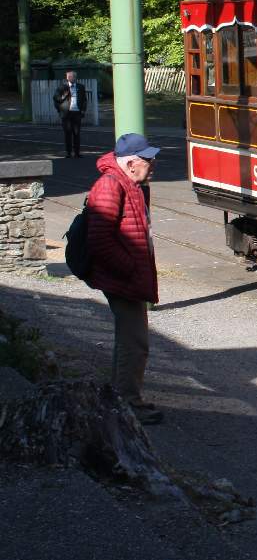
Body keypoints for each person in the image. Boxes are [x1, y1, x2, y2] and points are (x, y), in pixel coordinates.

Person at [85, 133, 162, 424]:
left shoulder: (128, 183)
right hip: (122, 279)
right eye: (148, 160)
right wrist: (129, 268)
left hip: (126, 276)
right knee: (135, 342)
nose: (153, 165)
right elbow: (100, 240)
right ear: (131, 163)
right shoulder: (109, 186)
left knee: (128, 340)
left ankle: (120, 400)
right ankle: (127, 405)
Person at [52, 70, 87, 158]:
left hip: (77, 113)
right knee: (68, 133)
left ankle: (77, 153)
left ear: (76, 78)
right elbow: (56, 98)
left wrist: (83, 110)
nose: (71, 78)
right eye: (69, 76)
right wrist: (64, 96)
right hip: (66, 114)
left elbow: (84, 100)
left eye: (73, 76)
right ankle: (68, 153)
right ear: (67, 78)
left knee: (76, 133)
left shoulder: (81, 87)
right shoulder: (62, 87)